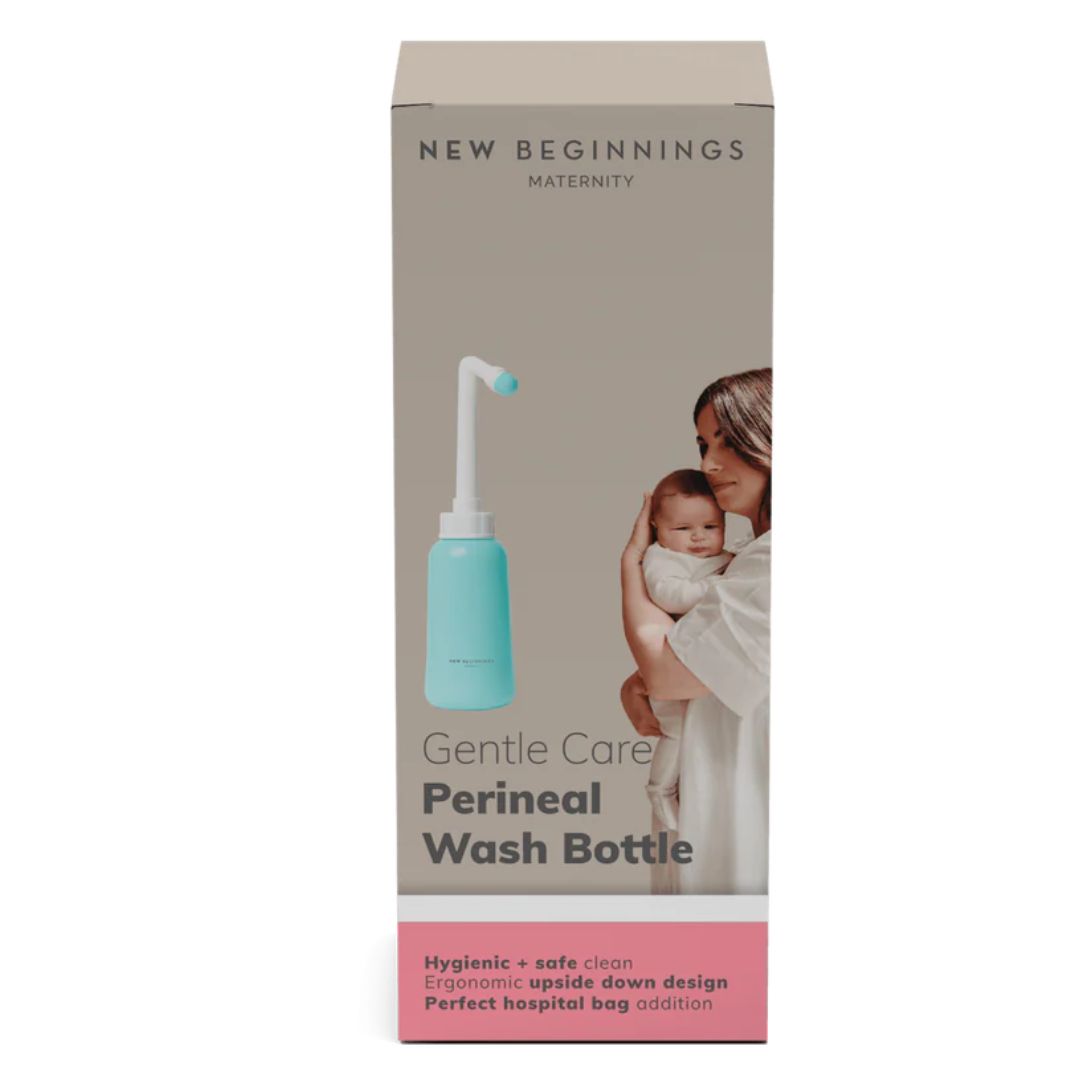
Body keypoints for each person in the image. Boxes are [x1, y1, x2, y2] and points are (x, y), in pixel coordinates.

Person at [620, 368, 771, 894]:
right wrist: (640, 677)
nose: (708, 464)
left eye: (728, 441)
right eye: (704, 445)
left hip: (741, 817)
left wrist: (631, 562)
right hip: (722, 800)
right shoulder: (746, 560)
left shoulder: (773, 562)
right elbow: (696, 659)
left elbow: (668, 674)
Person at [641, 468, 734, 831]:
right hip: (672, 663)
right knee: (676, 731)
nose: (698, 537)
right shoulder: (661, 558)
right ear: (657, 527)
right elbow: (669, 595)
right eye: (682, 528)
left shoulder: (724, 558)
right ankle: (660, 788)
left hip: (700, 666)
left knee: (698, 737)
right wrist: (716, 588)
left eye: (711, 526)